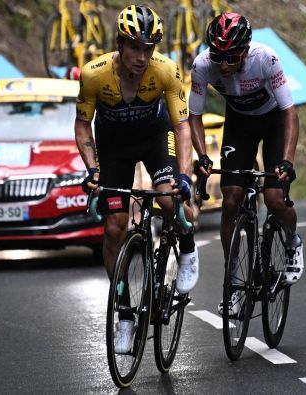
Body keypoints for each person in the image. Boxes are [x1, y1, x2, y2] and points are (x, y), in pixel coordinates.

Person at [75, 5, 199, 353]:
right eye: (135, 48)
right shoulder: (94, 75)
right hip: (114, 149)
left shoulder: (166, 71)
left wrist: (185, 176)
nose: (142, 57)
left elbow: (181, 125)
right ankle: (125, 315)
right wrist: (92, 169)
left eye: (149, 48)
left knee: (167, 198)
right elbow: (83, 124)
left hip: (155, 139)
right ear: (120, 45)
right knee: (115, 228)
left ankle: (186, 245)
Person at [188, 12, 303, 311]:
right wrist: (202, 155)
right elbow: (194, 116)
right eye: (218, 57)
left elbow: (290, 112)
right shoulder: (202, 66)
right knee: (230, 200)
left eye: (232, 57)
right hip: (239, 124)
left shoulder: (266, 59)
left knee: (276, 197)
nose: (224, 66)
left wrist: (287, 161)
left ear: (245, 51)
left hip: (274, 122)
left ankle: (292, 241)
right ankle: (234, 281)